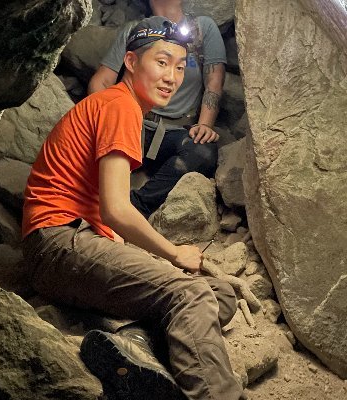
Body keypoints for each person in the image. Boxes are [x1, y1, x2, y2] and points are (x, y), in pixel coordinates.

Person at [22, 16, 243, 400]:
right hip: (59, 240)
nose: (172, 76)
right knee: (190, 295)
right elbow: (116, 210)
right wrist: (174, 253)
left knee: (217, 294)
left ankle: (135, 343)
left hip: (76, 242)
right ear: (130, 61)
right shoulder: (118, 105)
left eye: (179, 66)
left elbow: (109, 219)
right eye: (161, 62)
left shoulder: (124, 108)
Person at [89, 0, 226, 219]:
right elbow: (102, 82)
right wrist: (108, 119)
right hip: (134, 124)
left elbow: (214, 82)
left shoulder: (202, 29)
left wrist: (204, 125)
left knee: (202, 151)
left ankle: (136, 206)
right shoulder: (136, 32)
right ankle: (86, 203)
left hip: (176, 130)